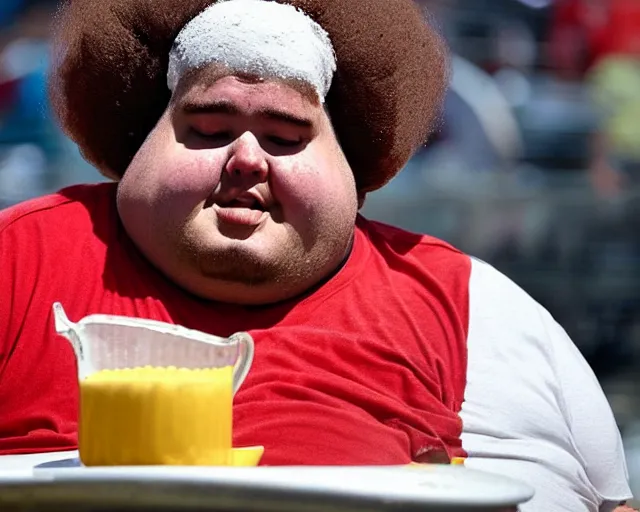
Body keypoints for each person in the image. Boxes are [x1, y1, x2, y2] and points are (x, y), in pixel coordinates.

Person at [0, 0, 633, 510]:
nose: (247, 159)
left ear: (350, 164)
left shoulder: (469, 304)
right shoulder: (16, 260)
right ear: (143, 136)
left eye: (284, 136)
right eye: (209, 129)